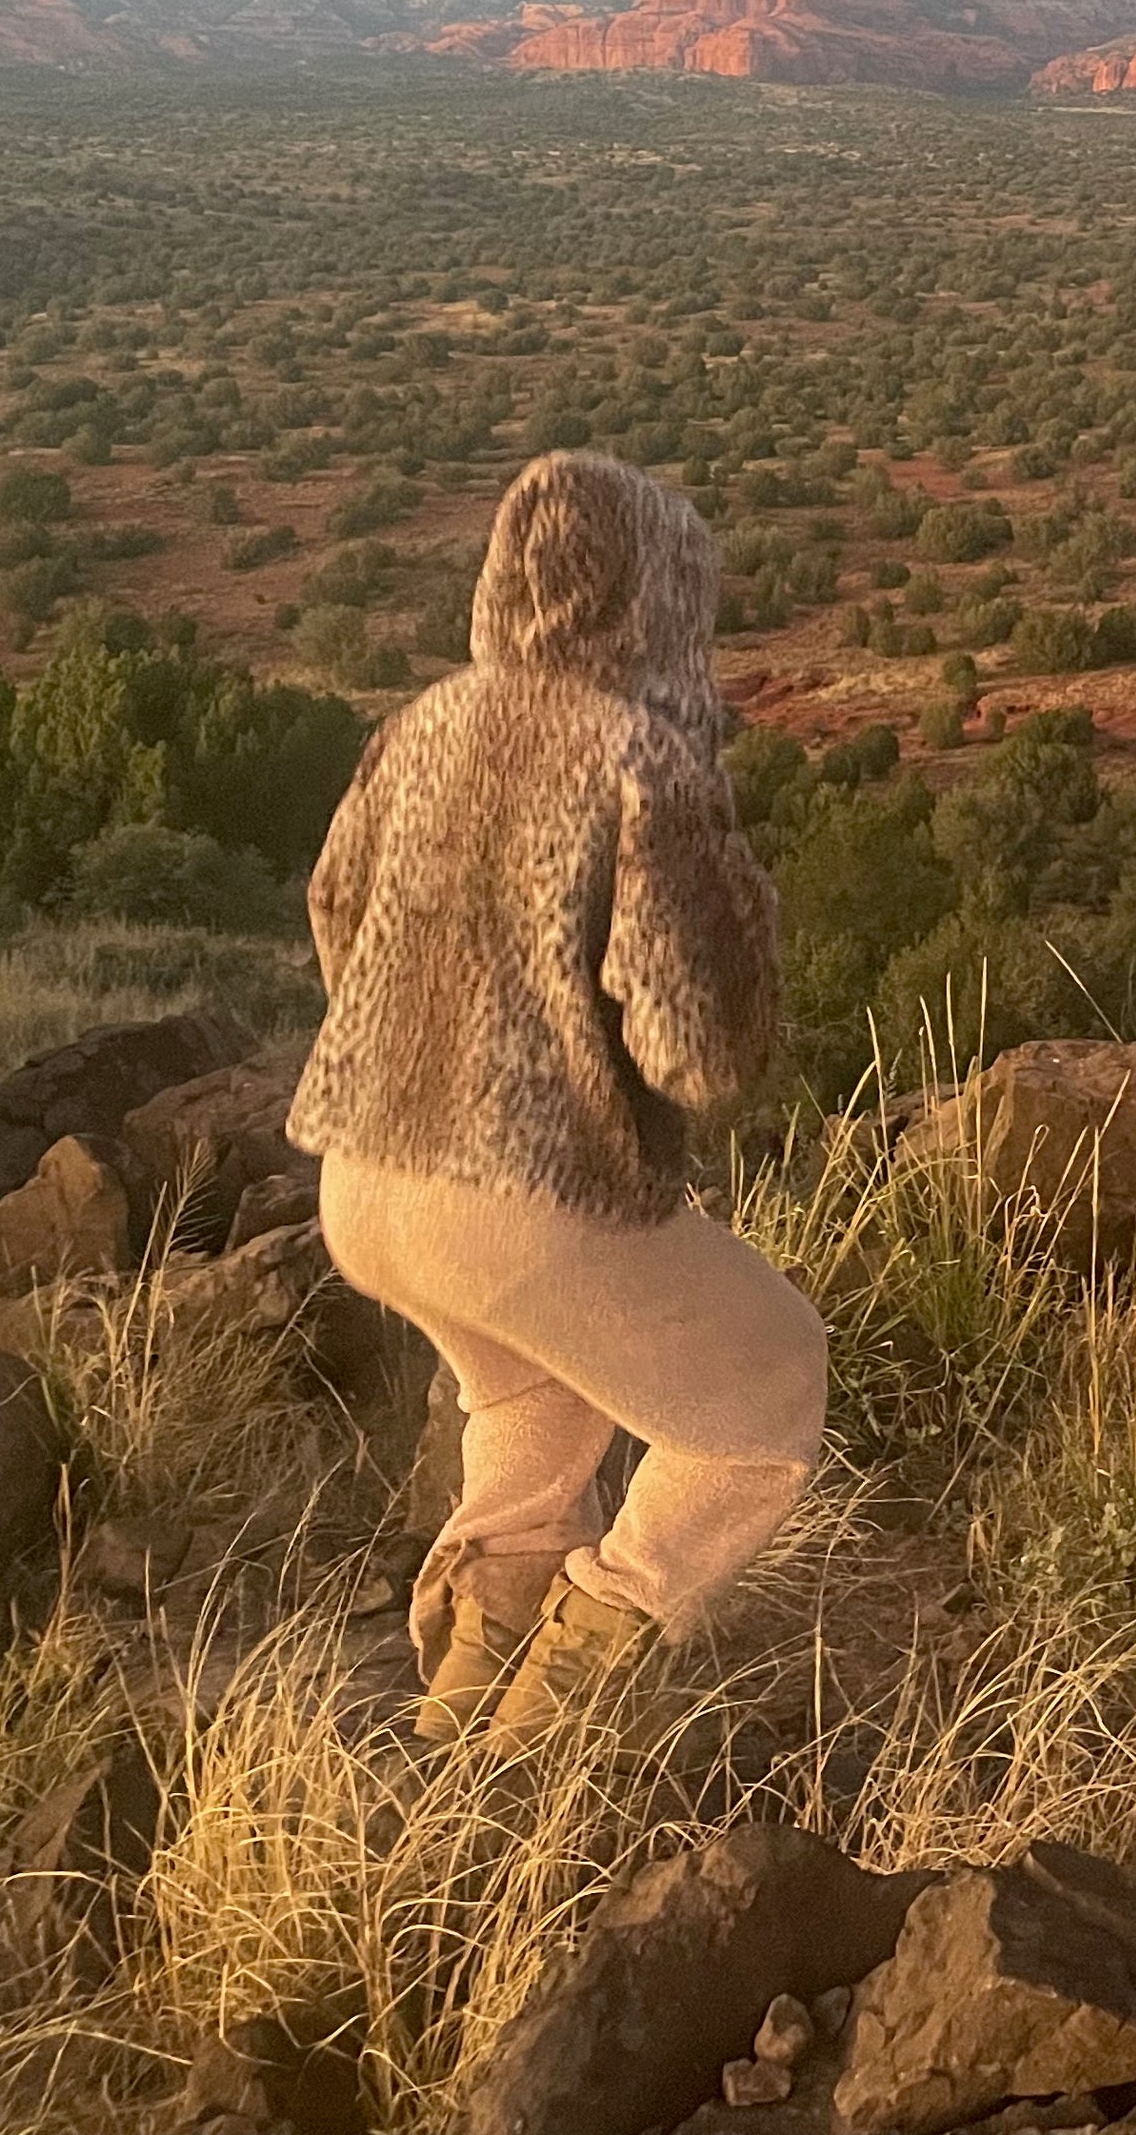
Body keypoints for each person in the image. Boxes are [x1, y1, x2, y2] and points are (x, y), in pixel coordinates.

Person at [288, 448, 831, 1747]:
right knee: (763, 1401)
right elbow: (698, 1048)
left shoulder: (420, 725)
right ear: (664, 595)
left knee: (539, 1397)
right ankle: (555, 1725)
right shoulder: (643, 758)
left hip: (363, 1177)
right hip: (528, 1189)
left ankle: (462, 1707)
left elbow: (333, 915)